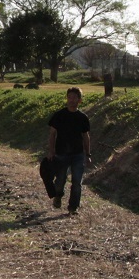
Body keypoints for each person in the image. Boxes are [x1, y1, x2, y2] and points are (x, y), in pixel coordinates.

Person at [46, 87, 92, 216]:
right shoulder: (59, 115)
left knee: (77, 182)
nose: (71, 100)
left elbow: (86, 137)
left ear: (80, 100)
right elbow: (52, 135)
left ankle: (73, 207)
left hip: (77, 155)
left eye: (74, 97)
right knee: (60, 181)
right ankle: (58, 195)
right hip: (61, 154)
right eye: (69, 97)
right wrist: (51, 151)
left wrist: (88, 154)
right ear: (67, 98)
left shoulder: (82, 117)